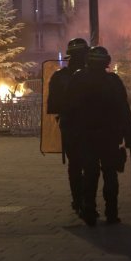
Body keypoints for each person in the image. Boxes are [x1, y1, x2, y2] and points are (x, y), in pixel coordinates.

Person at [65, 46, 131, 227]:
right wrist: (130, 136)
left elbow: (68, 109)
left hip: (86, 136)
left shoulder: (78, 78)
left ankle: (89, 211)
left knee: (90, 173)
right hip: (110, 136)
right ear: (107, 62)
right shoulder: (113, 81)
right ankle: (111, 213)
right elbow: (124, 109)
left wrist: (69, 134)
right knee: (110, 173)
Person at [47, 37, 94, 217]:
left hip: (70, 126)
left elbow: (53, 105)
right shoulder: (92, 77)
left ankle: (79, 201)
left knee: (75, 165)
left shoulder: (59, 77)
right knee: (90, 166)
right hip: (89, 127)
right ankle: (87, 203)